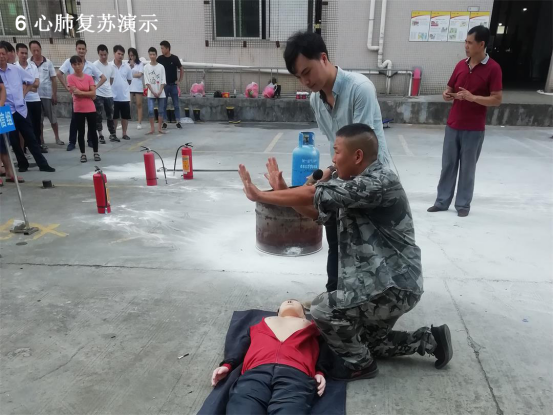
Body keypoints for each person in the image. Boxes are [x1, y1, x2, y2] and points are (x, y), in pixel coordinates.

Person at [238, 124, 452, 381]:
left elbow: (314, 193)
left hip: (392, 286)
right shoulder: (353, 186)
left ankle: (360, 365)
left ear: (357, 156)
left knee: (323, 308)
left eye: (337, 151)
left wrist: (261, 195)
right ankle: (430, 340)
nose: (333, 159)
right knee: (365, 342)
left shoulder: (379, 182)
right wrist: (283, 189)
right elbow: (318, 213)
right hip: (385, 285)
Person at [283, 32, 394, 298]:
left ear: (323, 58)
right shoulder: (316, 100)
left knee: (369, 251)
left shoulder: (359, 89)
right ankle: (334, 298)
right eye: (299, 77)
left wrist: (330, 176)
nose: (305, 81)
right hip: (344, 179)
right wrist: (330, 172)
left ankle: (371, 303)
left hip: (372, 183)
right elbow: (339, 149)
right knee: (335, 240)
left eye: (307, 72)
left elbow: (360, 152)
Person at [428, 26, 502, 217]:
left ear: (481, 44)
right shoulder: (461, 64)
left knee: (467, 169)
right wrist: (447, 94)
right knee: (448, 166)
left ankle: (463, 205)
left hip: (474, 128)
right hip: (453, 124)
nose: (466, 46)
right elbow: (450, 88)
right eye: (465, 42)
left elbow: (496, 99)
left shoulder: (493, 68)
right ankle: (442, 202)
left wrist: (473, 98)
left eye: (470, 43)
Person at [211, 299, 326, 414]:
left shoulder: (314, 327)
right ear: (278, 312)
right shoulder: (260, 324)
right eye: (286, 301)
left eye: (296, 302)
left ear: (304, 314)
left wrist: (320, 371)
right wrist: (228, 364)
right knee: (244, 408)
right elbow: (241, 345)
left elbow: (326, 348)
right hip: (255, 372)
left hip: (296, 374)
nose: (290, 301)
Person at [0, 43, 54, 173]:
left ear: (8, 54)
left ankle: (42, 164)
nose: (1, 56)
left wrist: (24, 92)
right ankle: (22, 163)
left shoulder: (16, 69)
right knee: (13, 141)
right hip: (5, 111)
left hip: (21, 109)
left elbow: (33, 81)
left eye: (3, 53)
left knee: (31, 138)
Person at [57, 40, 106, 151]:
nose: (81, 51)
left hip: (89, 98)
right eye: (79, 48)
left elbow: (103, 78)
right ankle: (72, 142)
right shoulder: (69, 62)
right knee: (75, 121)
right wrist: (67, 88)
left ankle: (90, 140)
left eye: (83, 49)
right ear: (76, 49)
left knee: (91, 121)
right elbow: (59, 74)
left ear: (86, 50)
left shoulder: (90, 65)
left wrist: (94, 88)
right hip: (77, 99)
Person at [29, 40, 63, 147]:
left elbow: (53, 79)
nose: (36, 52)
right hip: (34, 97)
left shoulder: (48, 62)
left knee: (53, 118)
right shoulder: (29, 63)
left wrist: (54, 94)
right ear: (30, 50)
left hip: (48, 95)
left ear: (40, 49)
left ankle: (57, 138)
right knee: (39, 120)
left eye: (37, 50)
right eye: (33, 50)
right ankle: (41, 140)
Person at [67, 55, 100, 163]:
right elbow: (75, 92)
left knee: (93, 131)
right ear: (72, 65)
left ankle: (96, 152)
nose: (77, 66)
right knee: (81, 132)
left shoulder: (89, 77)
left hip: (90, 108)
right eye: (75, 64)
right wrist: (87, 93)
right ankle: (83, 154)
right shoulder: (70, 78)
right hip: (78, 109)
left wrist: (81, 93)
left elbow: (93, 94)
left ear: (83, 64)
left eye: (79, 64)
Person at [15, 43, 42, 153]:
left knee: (37, 124)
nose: (24, 55)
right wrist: (29, 84)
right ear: (17, 53)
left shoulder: (33, 66)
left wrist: (24, 84)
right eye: (22, 53)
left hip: (35, 100)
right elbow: (16, 86)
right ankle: (24, 148)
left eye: (26, 53)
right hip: (22, 101)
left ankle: (37, 146)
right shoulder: (14, 67)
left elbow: (36, 84)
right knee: (25, 126)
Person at [93, 44, 116, 144]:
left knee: (110, 115)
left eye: (105, 54)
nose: (103, 57)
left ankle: (112, 134)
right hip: (98, 94)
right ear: (98, 54)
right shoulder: (95, 65)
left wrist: (107, 88)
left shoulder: (111, 66)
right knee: (98, 115)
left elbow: (111, 80)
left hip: (108, 94)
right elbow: (92, 79)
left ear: (107, 54)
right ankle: (100, 135)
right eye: (101, 55)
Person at [157, 40, 183, 130]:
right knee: (163, 104)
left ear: (168, 48)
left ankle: (178, 121)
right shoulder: (160, 59)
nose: (161, 50)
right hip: (164, 85)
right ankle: (164, 122)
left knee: (176, 104)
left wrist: (179, 80)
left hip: (173, 85)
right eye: (161, 48)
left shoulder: (174, 58)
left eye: (163, 48)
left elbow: (181, 68)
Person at [110, 45, 133, 141]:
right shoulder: (109, 66)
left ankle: (124, 133)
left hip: (124, 96)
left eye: (122, 54)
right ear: (114, 53)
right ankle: (113, 134)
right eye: (118, 53)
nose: (120, 56)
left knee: (125, 116)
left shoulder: (127, 67)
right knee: (114, 117)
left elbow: (129, 80)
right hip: (113, 96)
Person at [143, 47, 167, 135]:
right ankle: (152, 128)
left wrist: (160, 91)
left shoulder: (161, 67)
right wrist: (153, 92)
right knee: (150, 110)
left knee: (161, 111)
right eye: (151, 54)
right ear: (149, 55)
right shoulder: (146, 67)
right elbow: (147, 81)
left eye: (154, 54)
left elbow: (163, 80)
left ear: (156, 55)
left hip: (161, 92)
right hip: (151, 93)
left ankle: (159, 128)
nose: (152, 56)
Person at [128, 47, 144, 130]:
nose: (131, 57)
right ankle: (124, 122)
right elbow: (126, 74)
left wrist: (131, 75)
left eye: (133, 55)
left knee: (139, 104)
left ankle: (139, 122)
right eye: (130, 55)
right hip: (129, 86)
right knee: (127, 104)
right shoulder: (127, 64)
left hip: (138, 86)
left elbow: (140, 74)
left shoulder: (140, 64)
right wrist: (131, 67)